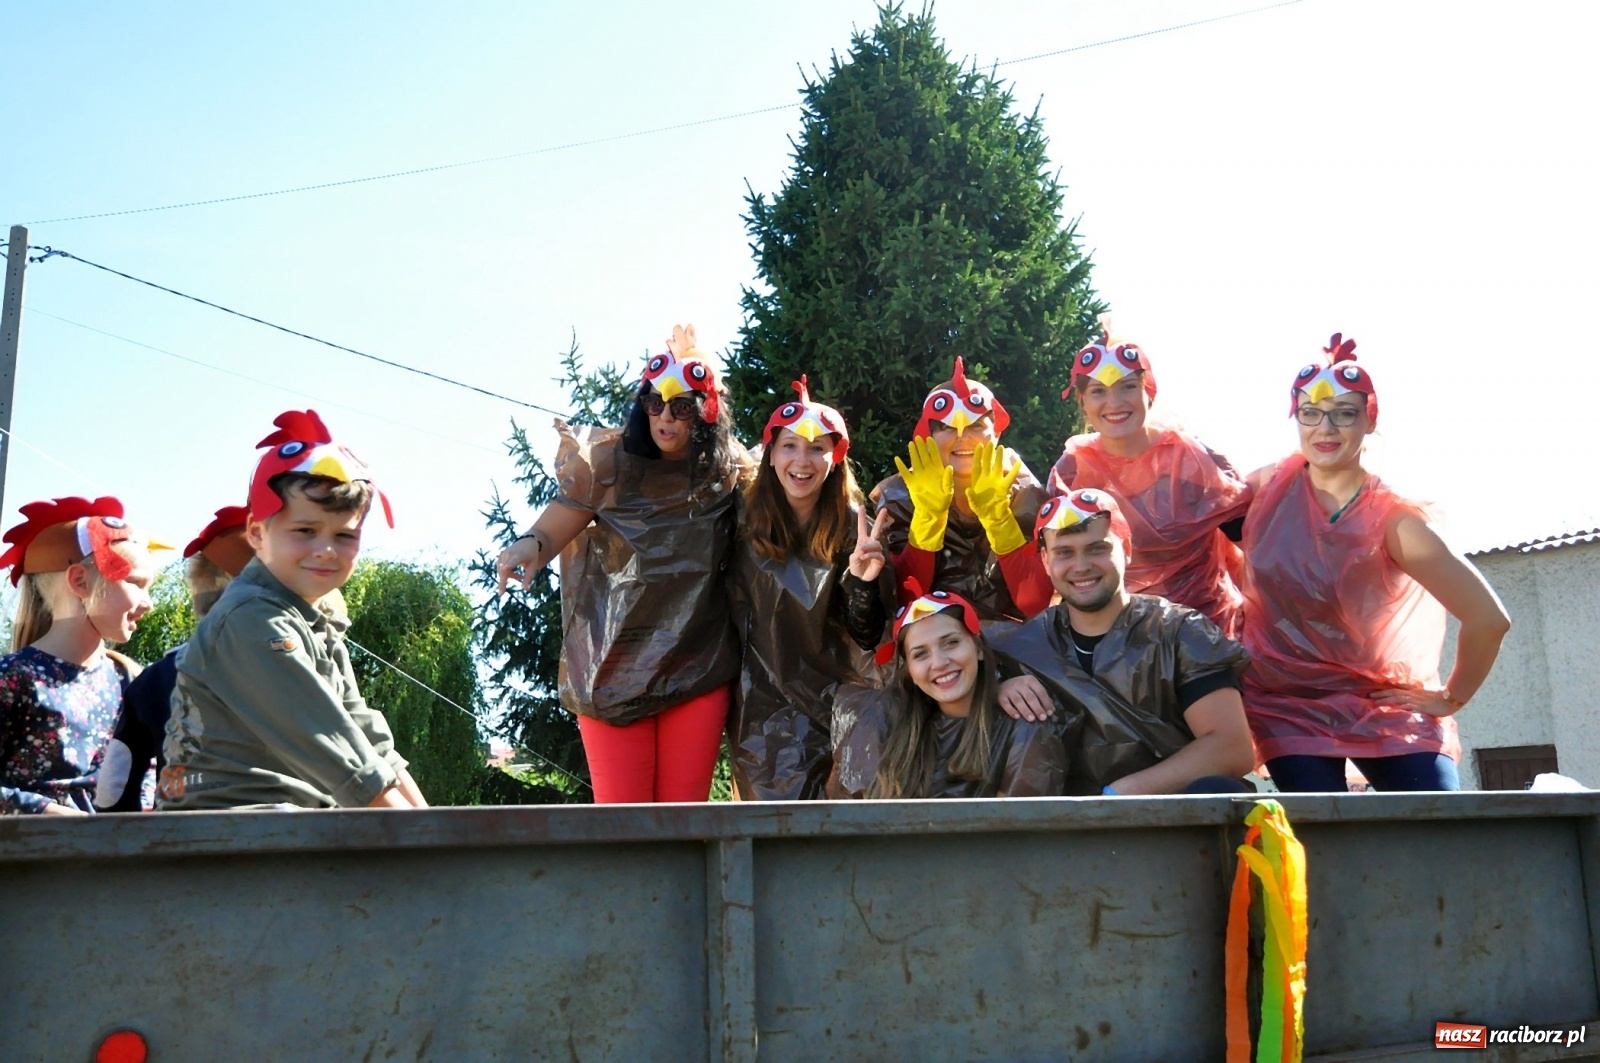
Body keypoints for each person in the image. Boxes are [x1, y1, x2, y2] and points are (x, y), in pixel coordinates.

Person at [1238, 334, 1510, 792]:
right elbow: (1189, 525)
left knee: (1434, 825)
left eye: (1345, 414)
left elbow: (1489, 619)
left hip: (1383, 702)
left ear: (1369, 422)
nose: (1325, 429)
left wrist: (1451, 697)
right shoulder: (1266, 491)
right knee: (1325, 833)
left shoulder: (1396, 522)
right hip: (1286, 703)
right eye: (1310, 414)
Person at [496, 325, 749, 804]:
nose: (666, 418)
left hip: (696, 665)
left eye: (681, 407)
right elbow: (552, 528)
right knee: (625, 823)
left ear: (706, 411)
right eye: (655, 403)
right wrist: (526, 546)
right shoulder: (607, 464)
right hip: (608, 666)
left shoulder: (728, 472)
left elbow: (782, 516)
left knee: (683, 820)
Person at [159, 410, 427, 809]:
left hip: (290, 828)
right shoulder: (250, 618)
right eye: (305, 531)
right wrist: (429, 848)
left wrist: (438, 829)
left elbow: (372, 747)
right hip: (227, 836)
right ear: (256, 533)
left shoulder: (314, 623)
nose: (326, 550)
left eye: (345, 535)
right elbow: (342, 756)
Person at [992, 488, 1257, 795]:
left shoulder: (1180, 632)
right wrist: (996, 686)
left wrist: (1116, 798)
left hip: (1172, 823)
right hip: (1064, 830)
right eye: (1064, 552)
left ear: (1126, 547)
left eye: (1096, 548)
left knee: (1217, 789)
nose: (1081, 566)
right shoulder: (1025, 645)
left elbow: (1231, 748)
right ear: (1046, 561)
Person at [729, 377, 896, 800]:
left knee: (851, 811)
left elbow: (868, 634)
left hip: (844, 695)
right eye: (789, 445)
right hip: (762, 702)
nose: (802, 460)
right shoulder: (740, 518)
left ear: (835, 458)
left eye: (818, 447)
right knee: (776, 823)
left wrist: (862, 582)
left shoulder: (854, 526)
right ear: (769, 454)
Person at [1051, 322, 1253, 635]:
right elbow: (1059, 560)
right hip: (1117, 637)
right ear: (1083, 402)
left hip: (1204, 633)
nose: (1114, 402)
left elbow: (1256, 546)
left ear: (1149, 390)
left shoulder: (1194, 461)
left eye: (1128, 386)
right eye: (1098, 391)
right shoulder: (1072, 471)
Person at [0, 496, 158, 814]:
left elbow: (147, 773)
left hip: (120, 857)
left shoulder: (130, 680)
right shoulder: (13, 677)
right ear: (80, 581)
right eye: (135, 583)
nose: (148, 602)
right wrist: (50, 813)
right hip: (35, 859)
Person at [96, 505, 252, 812]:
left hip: (182, 838)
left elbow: (115, 786)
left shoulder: (155, 679)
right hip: (294, 836)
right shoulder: (302, 665)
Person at [872, 356, 1051, 621]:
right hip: (934, 642)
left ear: (996, 433)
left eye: (976, 425)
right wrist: (928, 518)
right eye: (945, 427)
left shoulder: (1025, 491)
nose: (962, 436)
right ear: (928, 436)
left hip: (1016, 645)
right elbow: (902, 603)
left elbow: (1035, 603)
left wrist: (998, 519)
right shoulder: (901, 495)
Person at [864, 585, 1065, 799]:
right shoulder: (891, 727)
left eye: (951, 643)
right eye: (920, 654)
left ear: (978, 648)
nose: (939, 663)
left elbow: (1015, 825)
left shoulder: (1024, 723)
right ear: (910, 672)